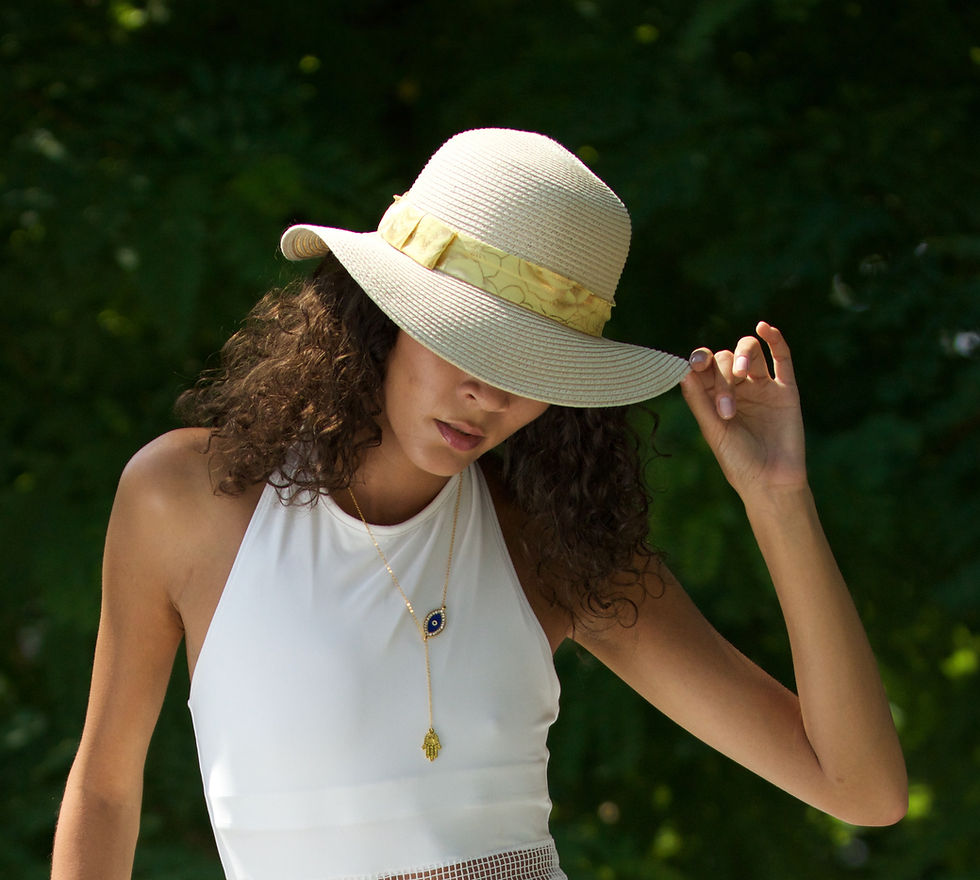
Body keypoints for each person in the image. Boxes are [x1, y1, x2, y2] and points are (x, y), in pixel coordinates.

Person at [50, 128, 907, 880]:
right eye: (464, 339)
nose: (488, 394)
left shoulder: (552, 545)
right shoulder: (187, 499)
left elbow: (862, 789)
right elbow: (106, 790)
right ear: (384, 314)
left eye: (532, 367)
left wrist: (777, 499)